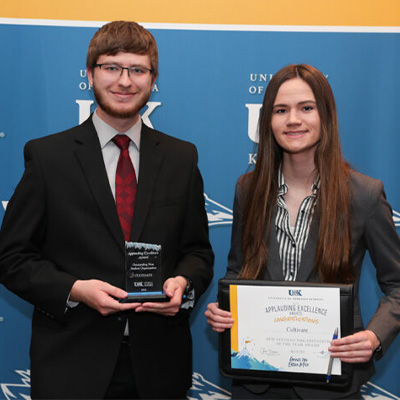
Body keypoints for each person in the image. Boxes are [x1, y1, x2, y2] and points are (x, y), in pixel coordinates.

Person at [0, 21, 214, 399]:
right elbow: (11, 257)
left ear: (153, 79)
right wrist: (76, 289)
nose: (125, 81)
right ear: (90, 74)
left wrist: (183, 284)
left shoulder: (182, 157)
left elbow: (197, 252)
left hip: (159, 366)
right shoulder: (49, 157)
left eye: (137, 70)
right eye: (112, 67)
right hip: (71, 364)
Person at [205, 64, 400, 399]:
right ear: (268, 120)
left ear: (325, 116)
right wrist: (223, 308)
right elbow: (238, 270)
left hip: (331, 383)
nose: (293, 120)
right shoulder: (248, 190)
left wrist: (373, 337)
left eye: (306, 108)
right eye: (281, 110)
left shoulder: (364, 195)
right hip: (256, 382)